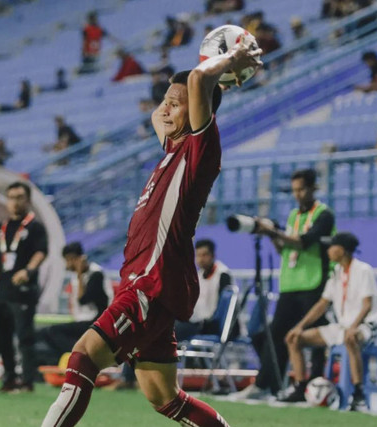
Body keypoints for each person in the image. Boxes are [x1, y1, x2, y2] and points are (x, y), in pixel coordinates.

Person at [40, 37, 262, 427]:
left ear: (196, 111)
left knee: (84, 356)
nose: (166, 108)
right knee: (165, 398)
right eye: (166, 101)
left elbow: (195, 80)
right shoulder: (172, 148)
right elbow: (160, 114)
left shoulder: (199, 150)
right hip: (146, 281)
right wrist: (184, 93)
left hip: (152, 283)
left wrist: (225, 63)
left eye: (176, 104)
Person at [236, 168, 336, 400]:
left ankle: (314, 389)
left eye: (301, 189)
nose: (297, 194)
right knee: (275, 335)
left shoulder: (324, 214)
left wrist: (274, 231)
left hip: (314, 284)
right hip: (290, 286)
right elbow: (285, 250)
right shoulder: (293, 216)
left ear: (313, 188)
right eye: (294, 190)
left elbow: (303, 242)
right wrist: (272, 236)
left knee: (315, 337)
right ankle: (267, 385)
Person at [281, 232, 377, 411]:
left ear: (342, 250)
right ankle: (301, 386)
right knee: (294, 338)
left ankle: (358, 394)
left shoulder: (363, 270)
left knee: (350, 338)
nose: (328, 250)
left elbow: (367, 305)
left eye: (331, 247)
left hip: (365, 326)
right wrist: (299, 327)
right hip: (342, 326)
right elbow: (322, 304)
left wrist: (353, 327)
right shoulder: (336, 273)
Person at [0, 181, 48, 392]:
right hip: (3, 291)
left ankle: (27, 380)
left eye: (19, 198)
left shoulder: (35, 227)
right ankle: (9, 377)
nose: (15, 202)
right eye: (11, 198)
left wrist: (28, 270)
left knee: (25, 336)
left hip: (24, 293)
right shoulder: (0, 229)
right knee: (2, 337)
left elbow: (41, 252)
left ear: (28, 201)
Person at [36, 242, 110, 366]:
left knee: (54, 332)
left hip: (98, 322)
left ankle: (81, 358)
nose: (67, 264)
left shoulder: (96, 275)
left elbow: (83, 299)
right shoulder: (77, 277)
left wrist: (80, 273)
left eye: (68, 260)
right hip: (85, 321)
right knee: (43, 333)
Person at [175, 239, 233, 341]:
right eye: (198, 255)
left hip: (211, 325)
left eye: (204, 255)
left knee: (175, 330)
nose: (201, 259)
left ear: (213, 255)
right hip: (198, 322)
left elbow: (222, 312)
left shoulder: (223, 275)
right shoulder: (199, 276)